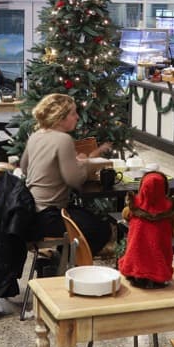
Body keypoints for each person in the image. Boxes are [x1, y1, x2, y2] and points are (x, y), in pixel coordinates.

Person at [19, 93, 114, 255]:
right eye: (73, 113)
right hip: (49, 216)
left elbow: (24, 168)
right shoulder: (63, 139)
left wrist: (72, 163)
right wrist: (87, 163)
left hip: (31, 213)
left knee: (87, 218)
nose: (77, 117)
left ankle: (62, 259)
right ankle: (69, 266)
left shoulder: (36, 136)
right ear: (60, 117)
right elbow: (75, 180)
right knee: (101, 229)